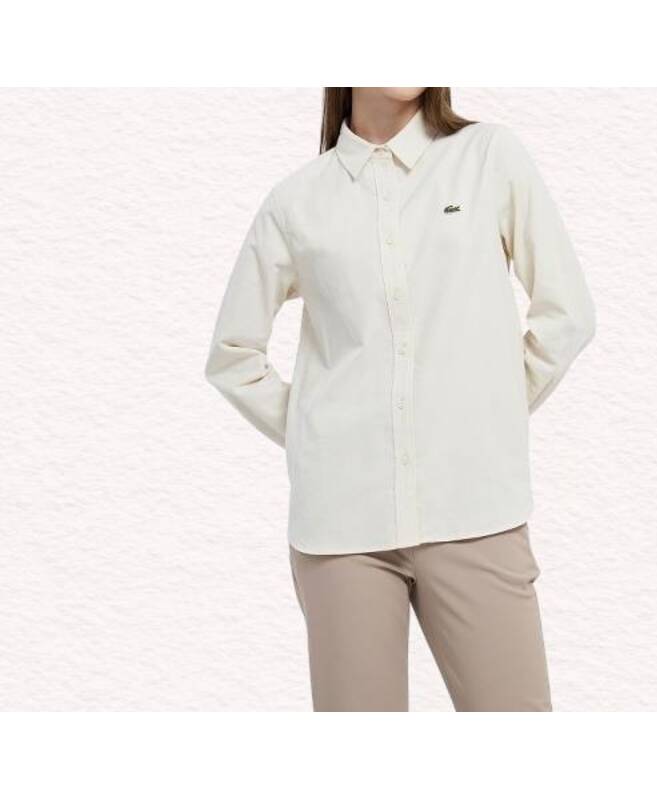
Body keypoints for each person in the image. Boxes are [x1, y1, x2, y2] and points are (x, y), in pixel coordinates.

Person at [204, 87, 596, 711]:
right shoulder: (297, 201)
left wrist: (481, 414)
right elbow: (233, 355)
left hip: (477, 513)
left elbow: (566, 314)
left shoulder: (489, 157)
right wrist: (321, 436)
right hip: (342, 531)